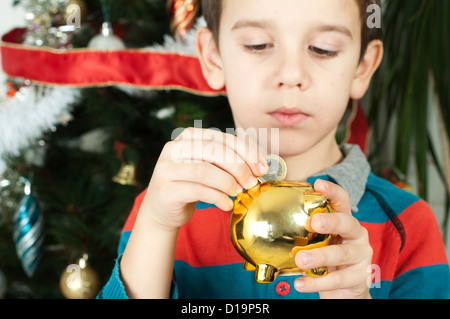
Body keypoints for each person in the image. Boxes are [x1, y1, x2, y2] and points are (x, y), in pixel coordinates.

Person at [98, 0, 450, 299]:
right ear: (213, 58)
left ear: (362, 67)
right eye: (257, 44)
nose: (292, 73)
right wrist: (158, 226)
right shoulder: (165, 210)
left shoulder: (408, 225)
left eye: (323, 48)